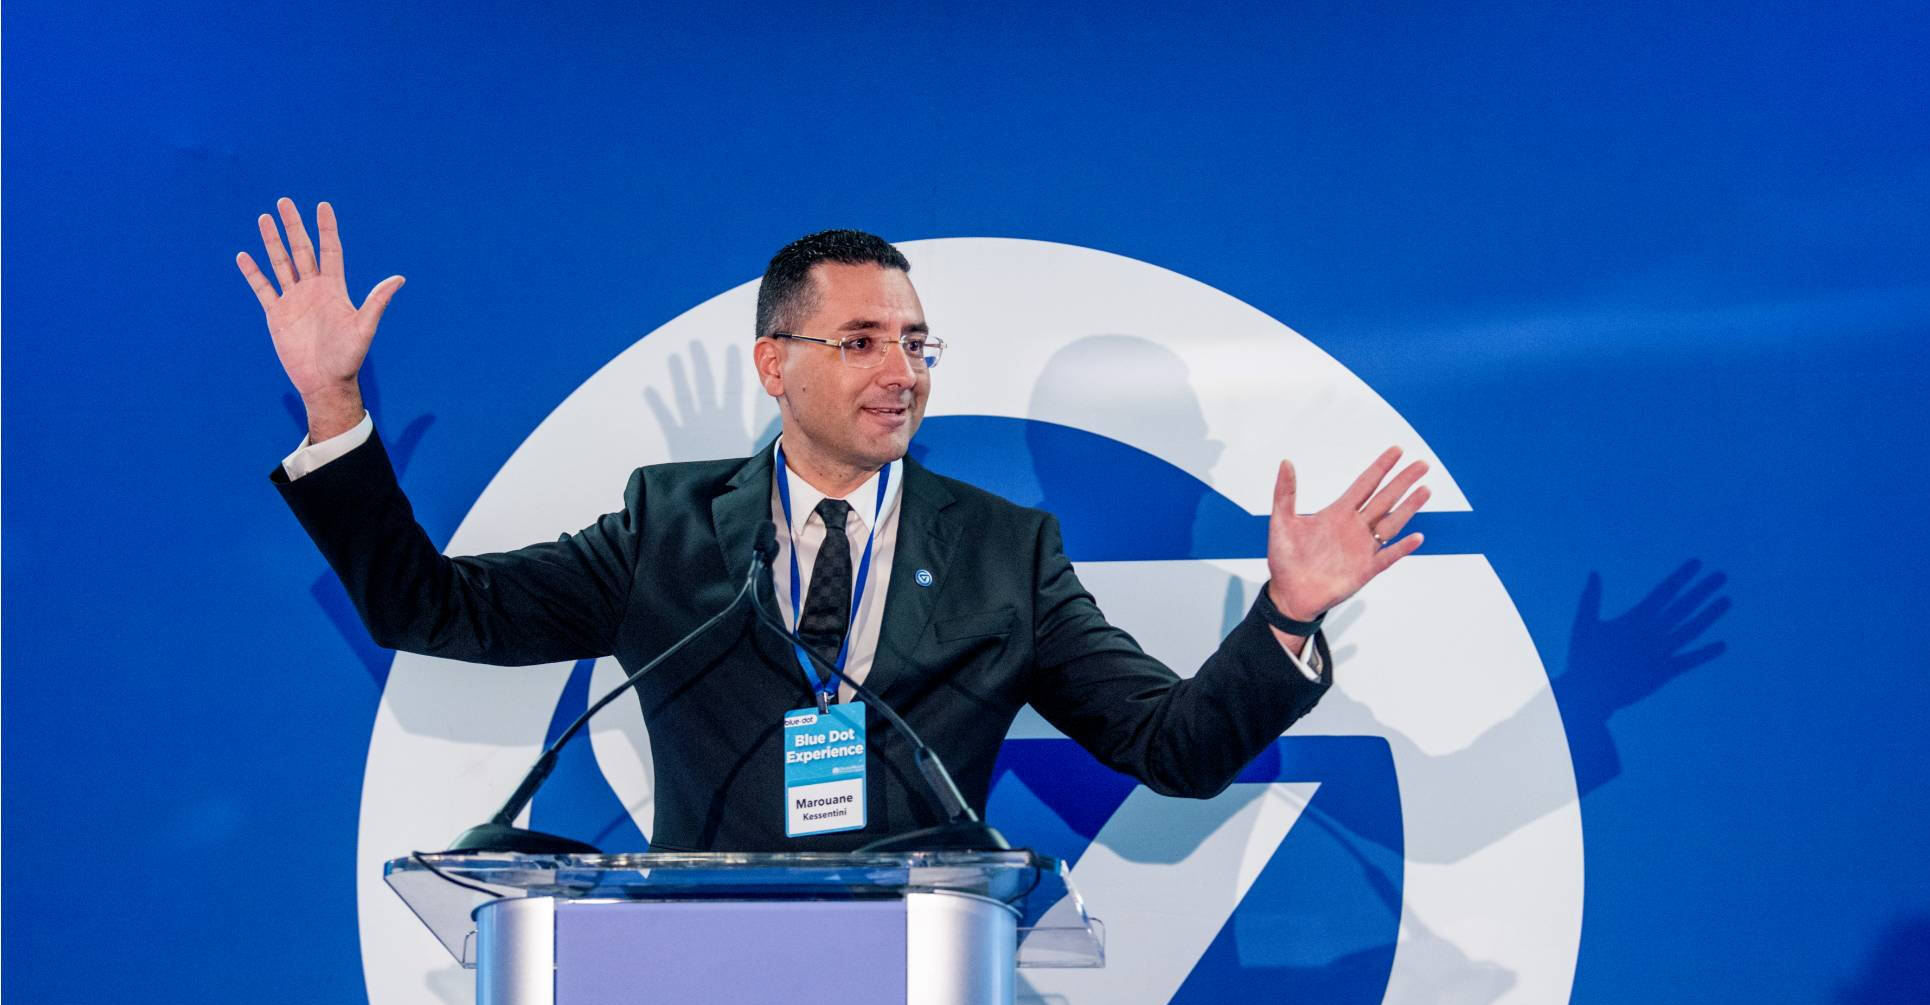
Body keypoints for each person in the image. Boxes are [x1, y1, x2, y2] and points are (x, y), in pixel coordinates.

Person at [239, 198, 1430, 851]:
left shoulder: (1004, 554)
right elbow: (428, 607)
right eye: (860, 341)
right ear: (774, 361)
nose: (899, 370)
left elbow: (1174, 749)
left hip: (923, 990)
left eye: (915, 344)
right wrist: (336, 412)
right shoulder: (672, 529)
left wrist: (1285, 615)